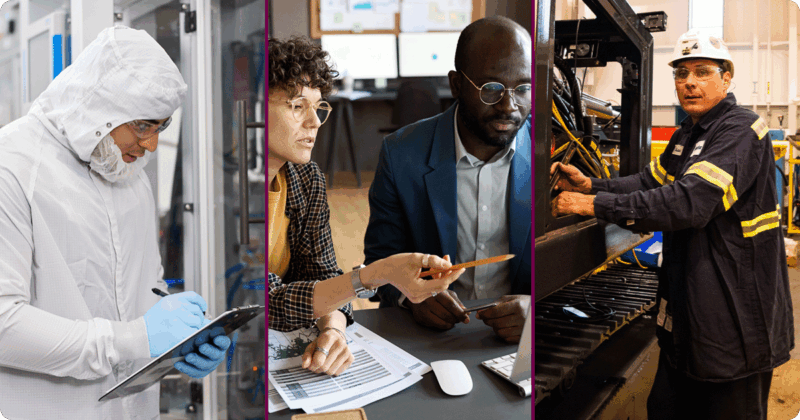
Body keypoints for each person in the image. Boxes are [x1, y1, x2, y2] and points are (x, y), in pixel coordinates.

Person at [551, 29, 794, 420]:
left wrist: (595, 205)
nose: (690, 82)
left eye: (702, 72)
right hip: (687, 315)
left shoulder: (740, 131)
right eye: (681, 74)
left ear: (726, 77)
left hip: (733, 322)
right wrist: (592, 184)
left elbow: (690, 203)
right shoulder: (687, 135)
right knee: (665, 407)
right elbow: (650, 182)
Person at [0, 26, 230, 419]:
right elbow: (4, 325)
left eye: (161, 126)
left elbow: (142, 289)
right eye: (143, 125)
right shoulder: (14, 167)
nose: (151, 145)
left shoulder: (128, 172)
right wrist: (135, 338)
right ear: (100, 108)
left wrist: (184, 339)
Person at [268, 36, 465, 376]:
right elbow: (268, 301)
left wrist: (332, 330)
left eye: (318, 106)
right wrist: (377, 273)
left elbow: (324, 274)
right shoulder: (223, 192)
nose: (314, 122)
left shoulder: (305, 177)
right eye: (298, 106)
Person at [363, 16, 532, 343]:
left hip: (520, 340)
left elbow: (574, 269)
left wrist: (536, 311)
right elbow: (379, 264)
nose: (509, 106)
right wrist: (409, 297)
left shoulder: (553, 153)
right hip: (429, 337)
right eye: (491, 89)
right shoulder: (401, 154)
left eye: (523, 87)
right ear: (456, 85)